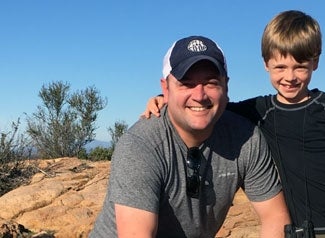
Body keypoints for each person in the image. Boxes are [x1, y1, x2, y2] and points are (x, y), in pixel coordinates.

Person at [143, 11, 325, 238]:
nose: (289, 77)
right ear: (265, 64)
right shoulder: (261, 110)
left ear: (315, 62)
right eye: (280, 67)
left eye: (300, 67)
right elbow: (210, 105)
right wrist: (165, 98)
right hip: (302, 231)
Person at [90, 35, 290, 238]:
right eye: (186, 84)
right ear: (165, 89)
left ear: (226, 86)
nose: (199, 95)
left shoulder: (246, 138)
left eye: (211, 83)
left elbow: (275, 218)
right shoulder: (140, 146)